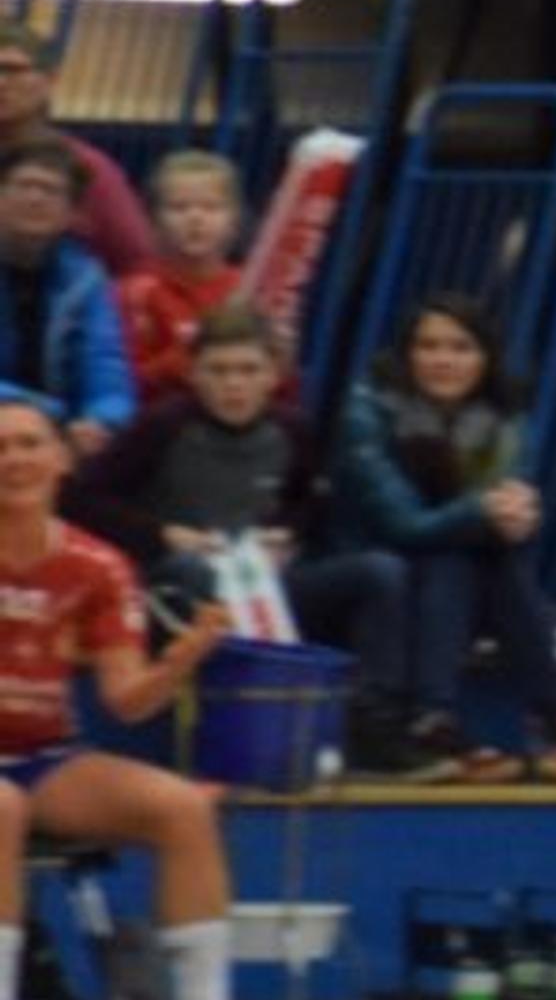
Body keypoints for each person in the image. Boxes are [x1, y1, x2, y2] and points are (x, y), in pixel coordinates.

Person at [0, 389, 289, 1000]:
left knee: (183, 807)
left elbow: (127, 701)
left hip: (42, 754)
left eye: (30, 443)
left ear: (63, 459)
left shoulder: (98, 565)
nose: (13, 459)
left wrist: (181, 658)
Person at [69, 301, 422, 776]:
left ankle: (371, 725)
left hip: (263, 583)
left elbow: (309, 501)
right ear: (194, 374)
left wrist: (286, 536)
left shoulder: (293, 429)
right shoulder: (163, 425)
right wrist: (162, 534)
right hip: (177, 588)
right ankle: (215, 723)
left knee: (380, 572)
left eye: (247, 370)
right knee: (191, 574)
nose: (233, 384)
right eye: (218, 371)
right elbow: (81, 498)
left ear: (273, 375)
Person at [329, 293, 556, 783]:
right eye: (428, 346)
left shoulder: (504, 417)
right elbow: (403, 524)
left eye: (461, 347)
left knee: (487, 558)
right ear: (407, 354)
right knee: (455, 555)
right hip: (376, 568)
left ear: (486, 357)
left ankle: (449, 719)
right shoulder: (369, 409)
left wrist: (518, 517)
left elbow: (503, 503)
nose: (443, 360)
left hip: (463, 574)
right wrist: (484, 511)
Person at [0, 143, 136, 455]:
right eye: (24, 186)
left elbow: (107, 366)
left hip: (58, 434)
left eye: (50, 190)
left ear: (71, 213)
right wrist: (45, 414)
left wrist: (101, 420)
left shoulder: (85, 278)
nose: (35, 198)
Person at [0, 35, 151, 276]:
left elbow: (135, 262)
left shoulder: (89, 168)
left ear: (50, 80)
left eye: (12, 70)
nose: (1, 82)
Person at [114, 151, 239, 408]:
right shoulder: (131, 292)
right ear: (153, 220)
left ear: (233, 221)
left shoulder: (250, 289)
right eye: (179, 207)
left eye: (211, 207)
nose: (195, 218)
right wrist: (178, 361)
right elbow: (118, 383)